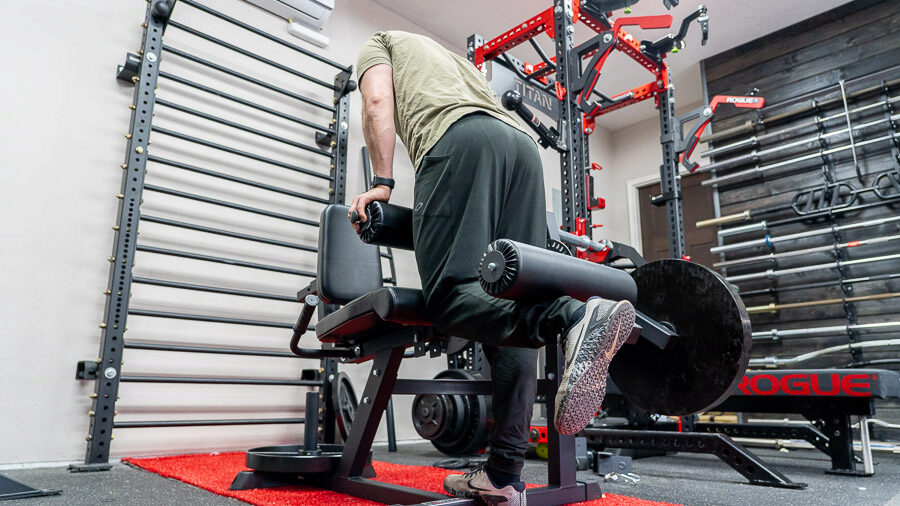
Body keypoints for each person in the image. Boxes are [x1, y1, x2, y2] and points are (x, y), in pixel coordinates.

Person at [349, 30, 635, 505]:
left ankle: (574, 317)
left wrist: (381, 183)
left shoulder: (377, 42)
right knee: (511, 294)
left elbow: (377, 100)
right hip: (522, 151)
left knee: (450, 297)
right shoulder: (454, 64)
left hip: (460, 141)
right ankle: (503, 475)